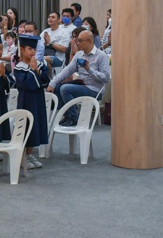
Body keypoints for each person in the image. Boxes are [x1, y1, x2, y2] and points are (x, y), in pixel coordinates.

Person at [48, 30, 111, 126]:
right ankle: (68, 115)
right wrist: (52, 82)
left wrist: (89, 69)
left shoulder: (101, 56)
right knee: (56, 87)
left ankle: (74, 118)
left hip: (94, 89)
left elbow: (106, 78)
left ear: (89, 41)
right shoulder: (79, 54)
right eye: (77, 40)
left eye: (80, 40)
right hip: (81, 85)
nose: (78, 43)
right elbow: (68, 70)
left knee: (65, 89)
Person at [13, 35, 50, 168]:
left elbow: (45, 81)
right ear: (22, 50)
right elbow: (28, 84)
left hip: (38, 99)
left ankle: (29, 155)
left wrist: (37, 70)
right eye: (30, 49)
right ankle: (23, 156)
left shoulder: (39, 64)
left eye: (34, 49)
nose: (33, 51)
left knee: (35, 126)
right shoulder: (19, 68)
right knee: (26, 125)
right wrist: (33, 70)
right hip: (26, 101)